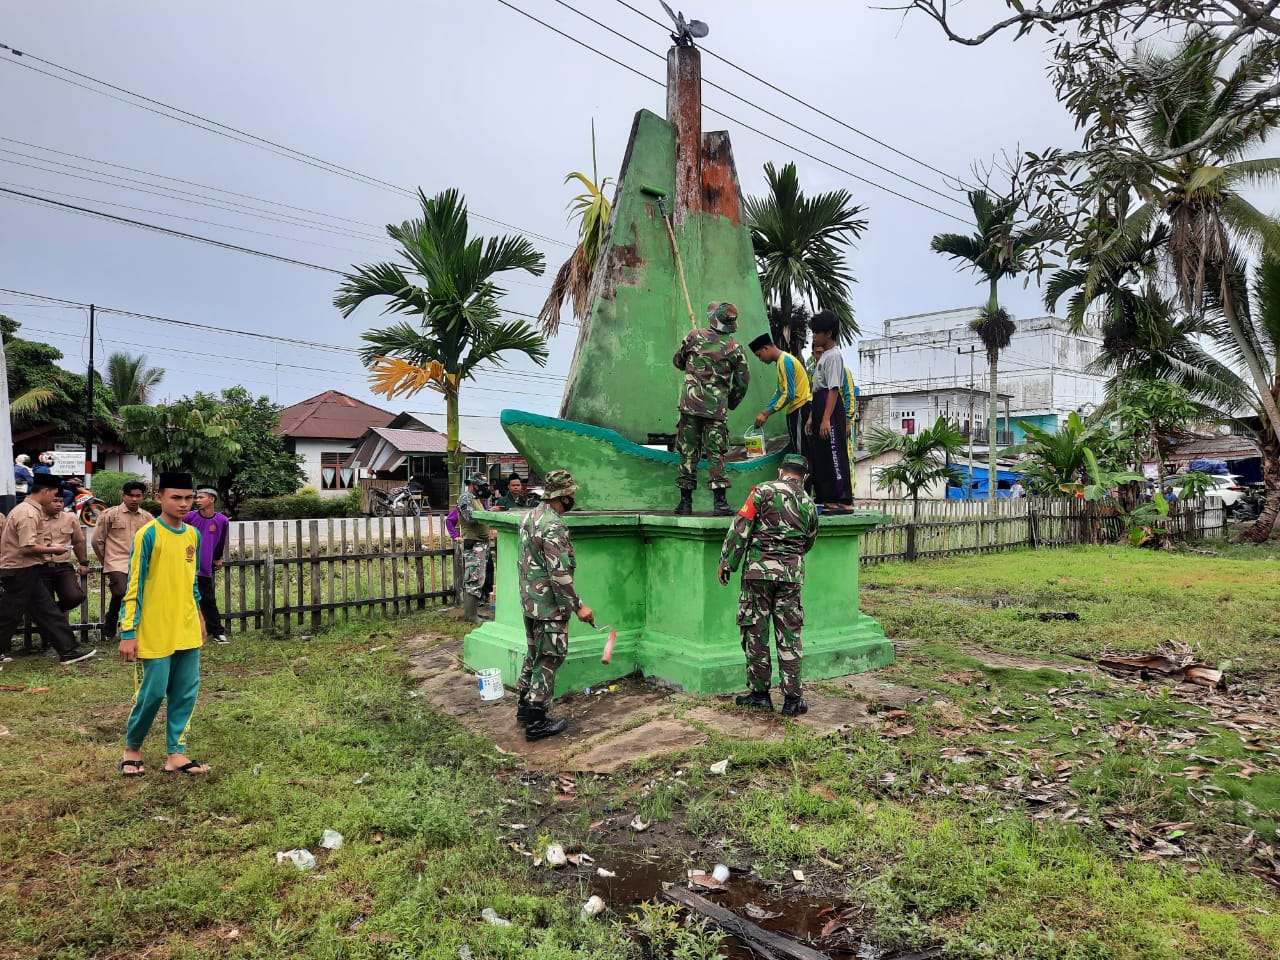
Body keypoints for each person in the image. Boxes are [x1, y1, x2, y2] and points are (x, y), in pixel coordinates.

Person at [117, 472, 209, 778]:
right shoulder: (148, 534)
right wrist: (128, 632)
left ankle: (176, 754)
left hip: (186, 628)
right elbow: (133, 586)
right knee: (152, 694)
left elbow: (192, 582)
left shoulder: (193, 535)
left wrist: (199, 617)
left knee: (185, 692)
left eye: (188, 498)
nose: (184, 504)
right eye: (176, 498)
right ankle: (132, 750)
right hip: (153, 631)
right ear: (159, 498)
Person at [718, 454, 819, 717]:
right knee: (789, 636)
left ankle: (760, 695)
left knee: (755, 633)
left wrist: (728, 563)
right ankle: (793, 701)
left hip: (757, 575)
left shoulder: (762, 491)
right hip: (790, 577)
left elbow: (740, 527)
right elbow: (808, 542)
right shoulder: (809, 503)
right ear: (804, 476)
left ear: (780, 471)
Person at [514, 469, 594, 741]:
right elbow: (558, 572)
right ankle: (536, 721)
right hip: (549, 605)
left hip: (530, 602)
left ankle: (524, 709)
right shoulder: (554, 525)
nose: (573, 497)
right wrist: (579, 606)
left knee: (534, 653)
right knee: (550, 658)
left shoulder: (530, 516)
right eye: (571, 493)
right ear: (562, 495)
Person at [0, 473, 97, 665]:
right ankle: (68, 650)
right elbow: (26, 547)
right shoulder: (28, 513)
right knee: (9, 614)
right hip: (20, 569)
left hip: (25, 569)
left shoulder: (27, 509)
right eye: (53, 493)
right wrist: (53, 549)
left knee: (47, 611)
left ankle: (68, 650)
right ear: (45, 491)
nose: (55, 498)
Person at [672, 301, 751, 516]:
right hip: (716, 410)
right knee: (716, 453)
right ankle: (720, 503)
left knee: (688, 452)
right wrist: (730, 403)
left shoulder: (694, 336)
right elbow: (743, 382)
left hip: (689, 406)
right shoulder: (735, 348)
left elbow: (678, 361)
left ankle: (685, 503)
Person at [92, 481, 154, 642]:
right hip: (116, 561)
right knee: (121, 591)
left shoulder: (147, 517)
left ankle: (134, 626)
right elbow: (97, 540)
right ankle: (112, 618)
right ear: (123, 496)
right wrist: (106, 561)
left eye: (138, 496)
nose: (134, 499)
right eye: (130, 495)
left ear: (143, 497)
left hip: (140, 561)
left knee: (140, 594)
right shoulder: (110, 514)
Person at [806, 310, 854, 512]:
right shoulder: (823, 357)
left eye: (817, 332)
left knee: (835, 451)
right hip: (819, 404)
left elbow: (833, 389)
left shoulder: (833, 356)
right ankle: (828, 498)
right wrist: (812, 417)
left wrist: (826, 418)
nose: (814, 336)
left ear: (828, 333)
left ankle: (843, 500)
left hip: (830, 406)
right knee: (823, 454)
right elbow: (817, 390)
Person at [748, 333, 811, 456]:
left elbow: (789, 394)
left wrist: (765, 414)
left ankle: (807, 475)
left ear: (766, 348)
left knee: (801, 453)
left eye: (759, 355)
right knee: (798, 449)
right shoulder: (780, 362)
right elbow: (780, 392)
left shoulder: (786, 361)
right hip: (796, 411)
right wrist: (765, 412)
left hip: (801, 409)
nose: (760, 359)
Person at [184, 487, 230, 644]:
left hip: (204, 567)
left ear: (212, 499)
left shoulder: (222, 520)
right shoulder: (188, 517)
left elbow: (221, 541)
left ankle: (217, 631)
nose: (197, 500)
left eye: (201, 497)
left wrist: (217, 558)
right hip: (185, 565)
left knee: (208, 600)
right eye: (196, 497)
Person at [38, 492, 89, 612]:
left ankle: (51, 614)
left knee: (75, 597)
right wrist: (50, 547)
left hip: (63, 567)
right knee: (45, 601)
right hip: (40, 567)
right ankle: (50, 617)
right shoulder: (34, 518)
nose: (59, 504)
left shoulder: (70, 518)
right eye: (54, 501)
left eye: (61, 501)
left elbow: (78, 542)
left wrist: (83, 563)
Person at [457, 475, 490, 623]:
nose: (483, 488)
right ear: (473, 484)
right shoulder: (465, 498)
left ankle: (474, 613)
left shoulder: (476, 499)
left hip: (480, 543)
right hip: (473, 543)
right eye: (481, 485)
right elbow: (469, 517)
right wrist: (488, 514)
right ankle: (470, 615)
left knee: (479, 578)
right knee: (473, 578)